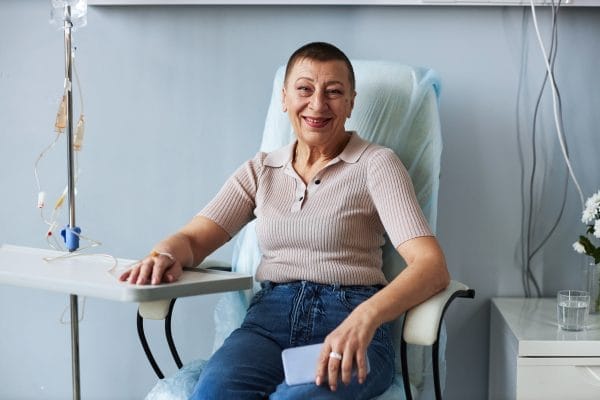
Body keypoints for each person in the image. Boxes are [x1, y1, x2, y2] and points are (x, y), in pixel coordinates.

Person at [120, 42, 450, 400]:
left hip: (352, 321)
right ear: (284, 98)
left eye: (334, 92)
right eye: (305, 89)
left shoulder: (377, 165)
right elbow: (194, 240)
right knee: (213, 395)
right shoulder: (260, 170)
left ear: (351, 102)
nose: (318, 104)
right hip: (267, 326)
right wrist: (165, 254)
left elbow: (431, 267)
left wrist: (365, 318)